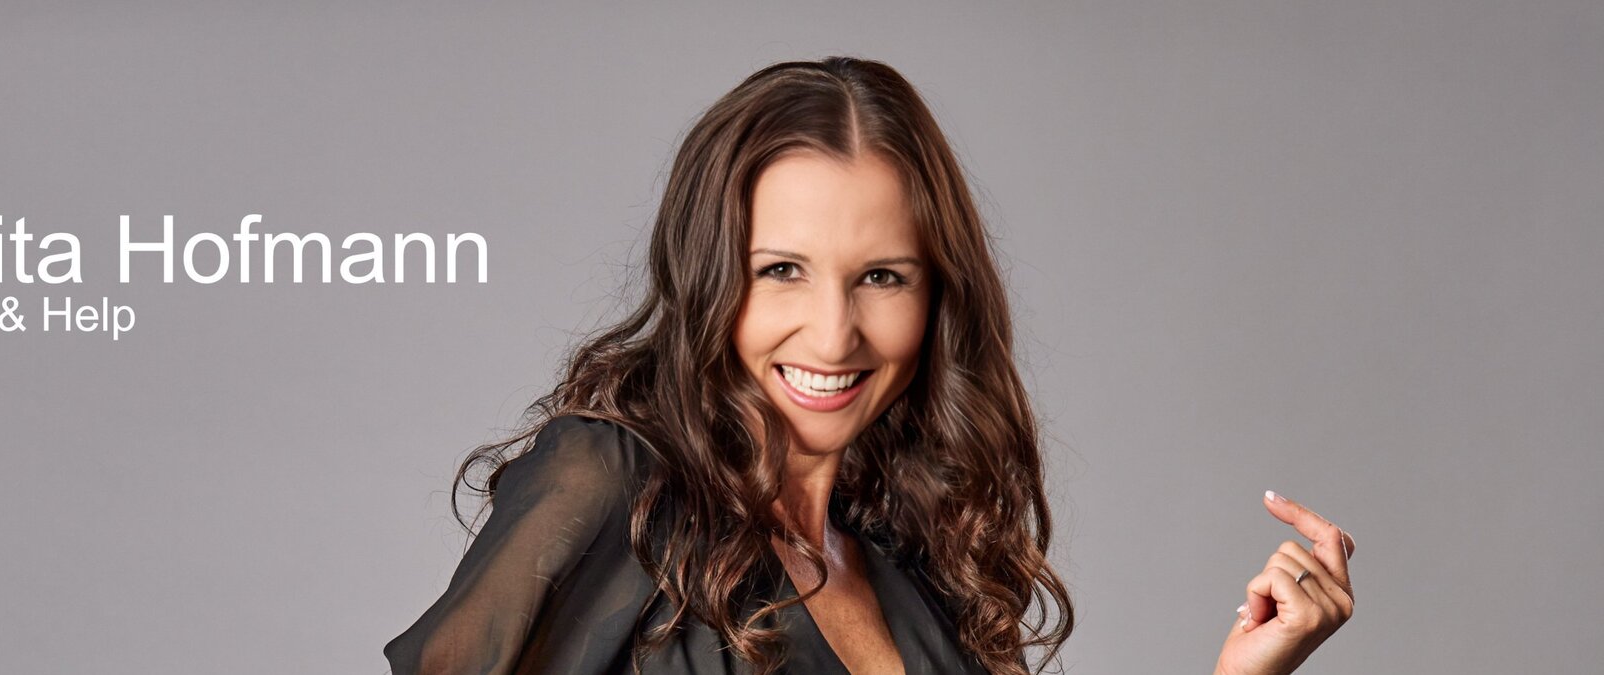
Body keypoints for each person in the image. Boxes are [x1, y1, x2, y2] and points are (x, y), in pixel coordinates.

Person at [384, 56, 1356, 675]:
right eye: (782, 270)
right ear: (708, 275)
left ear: (937, 296)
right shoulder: (610, 483)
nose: (833, 333)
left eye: (882, 276)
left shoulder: (920, 565)